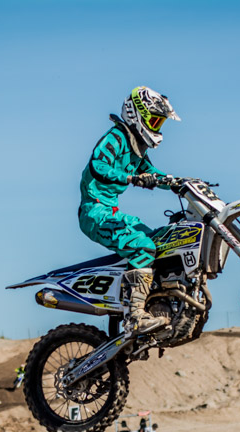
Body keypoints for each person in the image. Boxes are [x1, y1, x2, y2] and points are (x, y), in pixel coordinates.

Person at [79, 86, 181, 337]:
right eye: (154, 121)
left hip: (111, 212)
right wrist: (131, 178)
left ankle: (158, 301)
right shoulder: (116, 137)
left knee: (160, 240)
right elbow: (98, 165)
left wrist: (177, 182)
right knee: (142, 246)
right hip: (95, 213)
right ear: (137, 115)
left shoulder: (137, 147)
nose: (157, 127)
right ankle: (135, 315)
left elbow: (152, 173)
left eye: (160, 122)